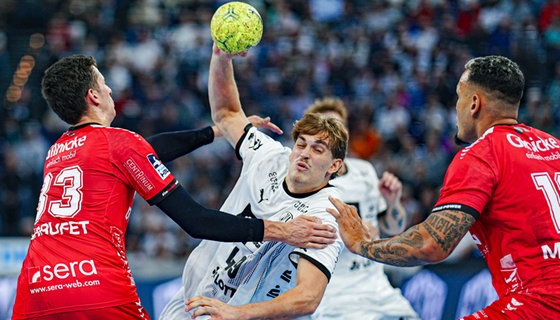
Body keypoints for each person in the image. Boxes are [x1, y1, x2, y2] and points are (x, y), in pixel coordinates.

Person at [11, 55, 337, 319]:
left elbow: (144, 150)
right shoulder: (120, 144)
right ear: (93, 96)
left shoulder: (57, 152)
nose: (111, 91)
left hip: (34, 289)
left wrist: (213, 133)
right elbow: (196, 222)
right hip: (93, 284)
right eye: (105, 84)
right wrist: (283, 231)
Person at [327, 55, 560, 319]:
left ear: (474, 103)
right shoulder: (553, 146)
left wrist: (361, 244)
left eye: (459, 96)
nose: (456, 107)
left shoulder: (481, 154)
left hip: (538, 302)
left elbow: (431, 244)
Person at [159, 44, 348, 320]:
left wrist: (238, 313)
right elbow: (226, 114)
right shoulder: (268, 155)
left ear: (334, 166)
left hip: (242, 315)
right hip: (192, 300)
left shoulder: (324, 216)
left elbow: (308, 297)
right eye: (301, 145)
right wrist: (221, 58)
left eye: (317, 149)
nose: (304, 154)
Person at [304, 97, 419, 320]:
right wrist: (353, 232)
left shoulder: (364, 170)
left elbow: (393, 227)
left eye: (336, 128)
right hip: (339, 297)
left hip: (380, 290)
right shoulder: (307, 184)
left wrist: (393, 201)